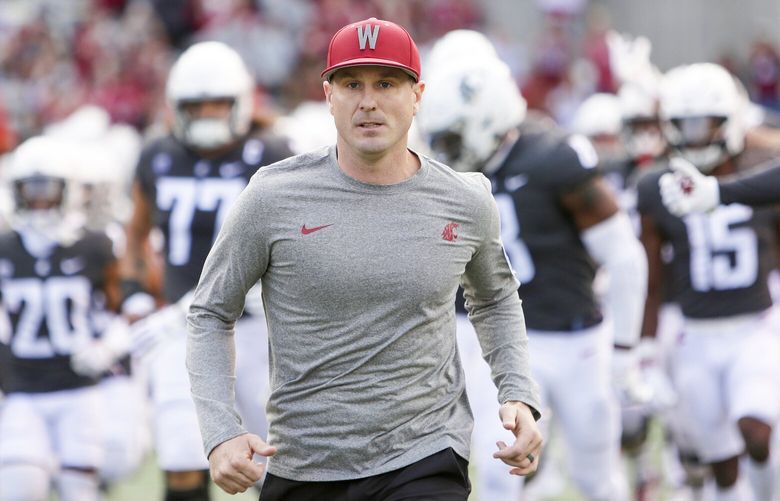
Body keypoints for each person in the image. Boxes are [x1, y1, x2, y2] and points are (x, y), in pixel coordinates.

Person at [186, 17, 543, 500]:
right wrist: (220, 431)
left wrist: (517, 391)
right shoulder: (272, 198)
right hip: (307, 463)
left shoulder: (466, 199)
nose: (368, 101)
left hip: (426, 454)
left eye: (387, 83)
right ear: (328, 95)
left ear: (418, 95)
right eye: (352, 84)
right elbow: (210, 311)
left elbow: (496, 298)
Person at [416, 39, 647, 501]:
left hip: (572, 336)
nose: (444, 151)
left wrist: (624, 351)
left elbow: (623, 256)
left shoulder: (554, 159)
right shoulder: (430, 175)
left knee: (595, 477)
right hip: (488, 338)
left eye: (451, 139)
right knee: (501, 469)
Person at [121, 41, 292, 501]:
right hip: (186, 323)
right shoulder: (158, 153)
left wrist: (275, 281)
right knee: (181, 453)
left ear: (241, 102)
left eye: (218, 105)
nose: (208, 116)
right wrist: (137, 294)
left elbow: (305, 234)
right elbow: (135, 233)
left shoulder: (273, 152)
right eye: (196, 107)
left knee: (277, 459)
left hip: (258, 325)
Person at [636, 62, 780, 501]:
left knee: (756, 433)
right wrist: (644, 351)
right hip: (695, 336)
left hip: (755, 326)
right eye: (685, 124)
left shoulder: (761, 169)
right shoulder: (657, 185)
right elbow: (652, 278)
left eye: (706, 123)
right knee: (720, 468)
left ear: (730, 122)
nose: (696, 135)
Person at [0, 136, 121, 501]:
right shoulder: (5, 247)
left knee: (79, 489)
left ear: (68, 191)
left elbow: (120, 311)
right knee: (19, 488)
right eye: (30, 191)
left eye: (47, 190)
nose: (39, 200)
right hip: (22, 389)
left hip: (78, 389)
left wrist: (106, 348)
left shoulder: (95, 245)